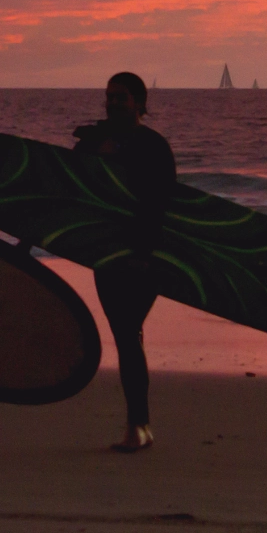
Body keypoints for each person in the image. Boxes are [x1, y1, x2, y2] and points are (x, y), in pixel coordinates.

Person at [72, 72, 176, 454]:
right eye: (109, 97)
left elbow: (160, 205)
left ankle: (139, 426)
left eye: (121, 97)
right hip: (107, 255)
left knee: (129, 334)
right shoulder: (93, 143)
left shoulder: (153, 146)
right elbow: (72, 192)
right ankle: (139, 425)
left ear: (140, 103)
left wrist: (145, 255)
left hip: (145, 259)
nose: (113, 103)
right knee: (126, 336)